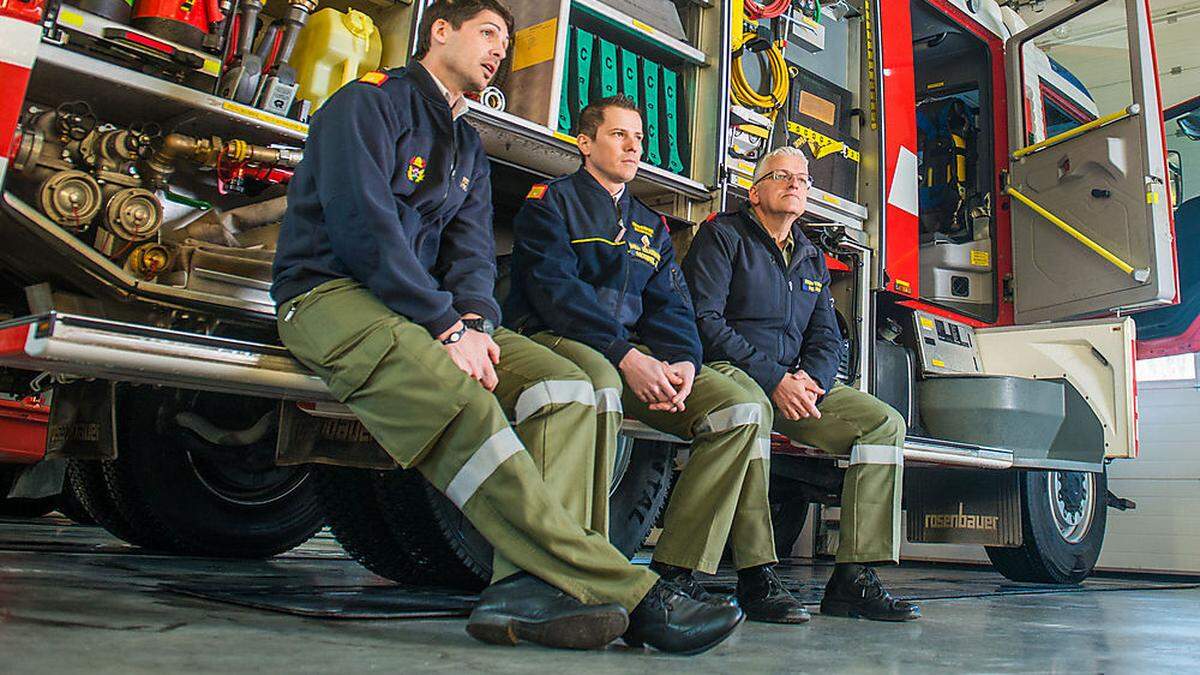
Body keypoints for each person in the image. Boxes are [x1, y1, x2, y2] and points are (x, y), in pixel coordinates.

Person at [271, 0, 742, 653]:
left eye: (506, 41)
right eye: (488, 32)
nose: (500, 50)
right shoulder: (368, 104)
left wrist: (474, 318)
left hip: (420, 306)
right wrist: (443, 324)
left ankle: (528, 590)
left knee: (567, 384)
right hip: (329, 293)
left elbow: (469, 254)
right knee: (464, 402)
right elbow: (362, 228)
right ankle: (627, 591)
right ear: (440, 30)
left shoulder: (467, 142)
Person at [505, 95, 808, 625]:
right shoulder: (550, 202)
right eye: (619, 135)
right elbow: (556, 294)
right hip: (555, 339)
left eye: (639, 138)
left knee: (739, 411)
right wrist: (627, 357)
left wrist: (684, 362)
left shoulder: (648, 224)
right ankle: (584, 572)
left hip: (632, 357)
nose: (632, 146)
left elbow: (671, 304)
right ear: (585, 142)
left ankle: (676, 572)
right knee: (597, 382)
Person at [681, 145, 921, 621]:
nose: (795, 184)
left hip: (796, 384)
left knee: (883, 425)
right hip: (736, 372)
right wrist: (773, 380)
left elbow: (827, 335)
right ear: (754, 191)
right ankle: (757, 573)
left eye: (803, 180)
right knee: (748, 409)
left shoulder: (810, 256)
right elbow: (703, 320)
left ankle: (854, 576)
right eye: (782, 176)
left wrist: (810, 379)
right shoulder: (723, 238)